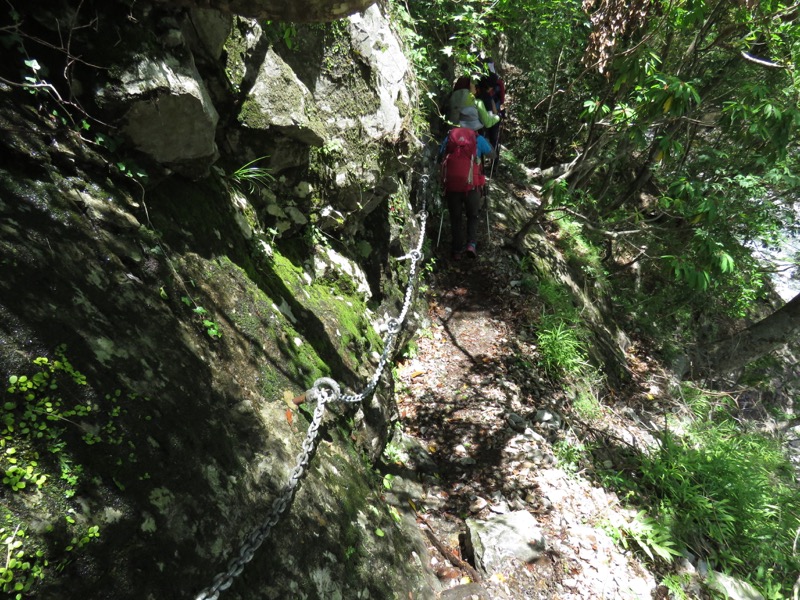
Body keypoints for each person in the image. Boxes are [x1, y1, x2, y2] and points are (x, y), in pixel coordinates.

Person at [438, 106, 495, 261]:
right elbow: (492, 155)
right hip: (472, 185)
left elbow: (440, 155)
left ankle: (456, 250)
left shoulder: (450, 136)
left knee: (456, 217)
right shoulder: (478, 139)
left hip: (452, 184)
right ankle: (471, 244)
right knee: (473, 215)